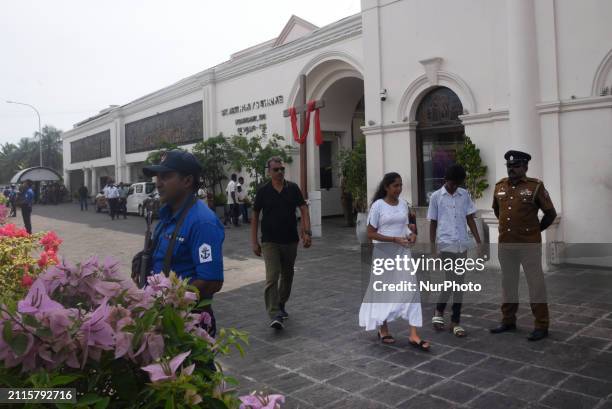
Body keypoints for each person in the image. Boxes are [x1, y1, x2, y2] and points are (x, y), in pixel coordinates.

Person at [142, 150, 224, 336]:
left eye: (166, 176)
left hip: (188, 321)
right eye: (157, 176)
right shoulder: (167, 215)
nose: (158, 183)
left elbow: (211, 281)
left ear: (187, 181)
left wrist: (172, 300)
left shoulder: (202, 222)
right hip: (162, 317)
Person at [490, 150, 557, 342]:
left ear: (525, 167)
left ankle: (541, 325)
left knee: (536, 285)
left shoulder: (535, 187)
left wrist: (535, 231)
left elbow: (550, 214)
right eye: (509, 166)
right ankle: (508, 320)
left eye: (516, 166)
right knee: (508, 283)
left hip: (528, 246)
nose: (512, 169)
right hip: (506, 245)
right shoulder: (499, 186)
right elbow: (497, 211)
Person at [359, 172, 430, 351]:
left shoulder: (404, 205)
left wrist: (411, 235)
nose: (399, 189)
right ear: (386, 187)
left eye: (400, 185)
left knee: (412, 290)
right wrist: (393, 240)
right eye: (395, 186)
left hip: (402, 253)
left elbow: (406, 227)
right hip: (384, 253)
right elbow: (370, 233)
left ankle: (414, 334)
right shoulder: (378, 206)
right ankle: (383, 329)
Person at [251, 156, 312, 330]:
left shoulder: (292, 188)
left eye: (281, 169)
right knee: (272, 276)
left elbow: (303, 208)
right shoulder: (263, 191)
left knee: (288, 275)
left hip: (290, 239)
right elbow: (255, 215)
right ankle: (274, 313)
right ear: (269, 171)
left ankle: (281, 304)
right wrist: (254, 241)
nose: (279, 172)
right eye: (276, 169)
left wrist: (306, 231)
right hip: (269, 240)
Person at [427, 164, 482, 338]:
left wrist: (479, 241)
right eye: (452, 184)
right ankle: (439, 311)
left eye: (457, 184)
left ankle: (454, 321)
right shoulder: (436, 197)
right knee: (452, 280)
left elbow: (469, 218)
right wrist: (433, 249)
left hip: (461, 244)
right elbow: (433, 223)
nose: (454, 187)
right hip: (445, 244)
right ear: (446, 180)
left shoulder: (464, 194)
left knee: (459, 282)